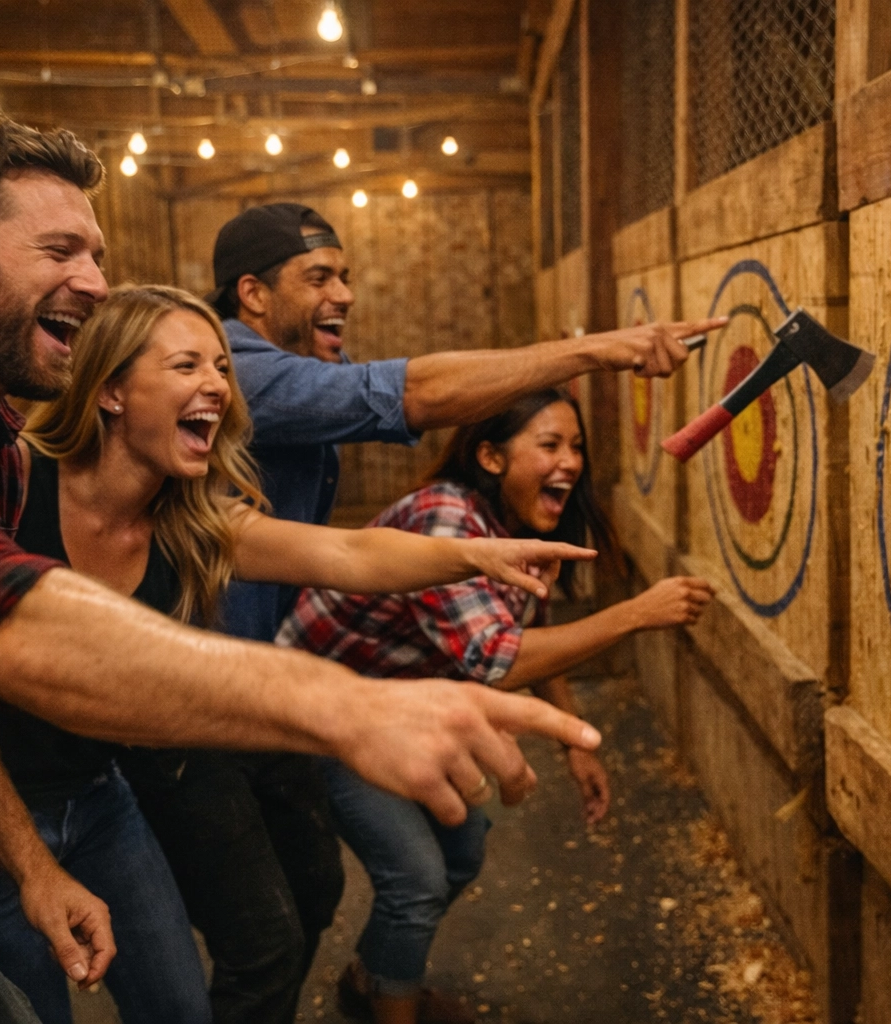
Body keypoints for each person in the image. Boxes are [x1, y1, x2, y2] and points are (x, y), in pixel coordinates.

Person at [0, 120, 598, 1024]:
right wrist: (347, 704)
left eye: (96, 255)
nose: (94, 282)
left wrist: (33, 864)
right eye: (61, 250)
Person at [123, 202, 728, 1024]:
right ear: (253, 296)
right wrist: (596, 351)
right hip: (201, 704)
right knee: (273, 932)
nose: (344, 293)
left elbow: (344, 554)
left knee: (313, 891)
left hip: (275, 690)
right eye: (320, 277)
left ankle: (359, 989)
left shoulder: (289, 404)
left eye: (346, 275)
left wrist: (471, 559)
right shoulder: (247, 370)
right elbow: (413, 392)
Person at [0, 283, 592, 1024]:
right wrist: (29, 862)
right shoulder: (9, 490)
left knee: (185, 1005)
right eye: (187, 365)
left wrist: (479, 555)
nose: (217, 384)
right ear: (112, 390)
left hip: (97, 800)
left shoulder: (186, 520)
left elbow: (347, 551)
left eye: (221, 367)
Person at [278, 388, 715, 1024]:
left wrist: (573, 742)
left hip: (396, 706)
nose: (570, 461)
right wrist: (634, 615)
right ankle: (393, 1008)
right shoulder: (446, 520)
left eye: (576, 446)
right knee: (418, 878)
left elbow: (528, 627)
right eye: (549, 445)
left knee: (462, 849)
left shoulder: (514, 526)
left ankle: (374, 979)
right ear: (489, 456)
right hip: (320, 715)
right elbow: (497, 658)